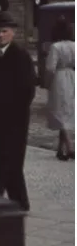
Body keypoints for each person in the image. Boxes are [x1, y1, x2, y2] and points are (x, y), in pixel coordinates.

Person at [0, 11, 36, 211]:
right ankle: (20, 202)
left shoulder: (21, 56)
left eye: (4, 31)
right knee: (4, 160)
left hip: (15, 120)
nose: (0, 35)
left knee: (8, 160)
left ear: (12, 33)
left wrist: (13, 112)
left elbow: (28, 90)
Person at [45, 19, 74, 161]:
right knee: (68, 111)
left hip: (59, 78)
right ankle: (59, 149)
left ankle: (70, 147)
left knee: (60, 113)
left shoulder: (55, 47)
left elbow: (50, 67)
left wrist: (47, 82)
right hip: (72, 78)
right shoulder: (75, 46)